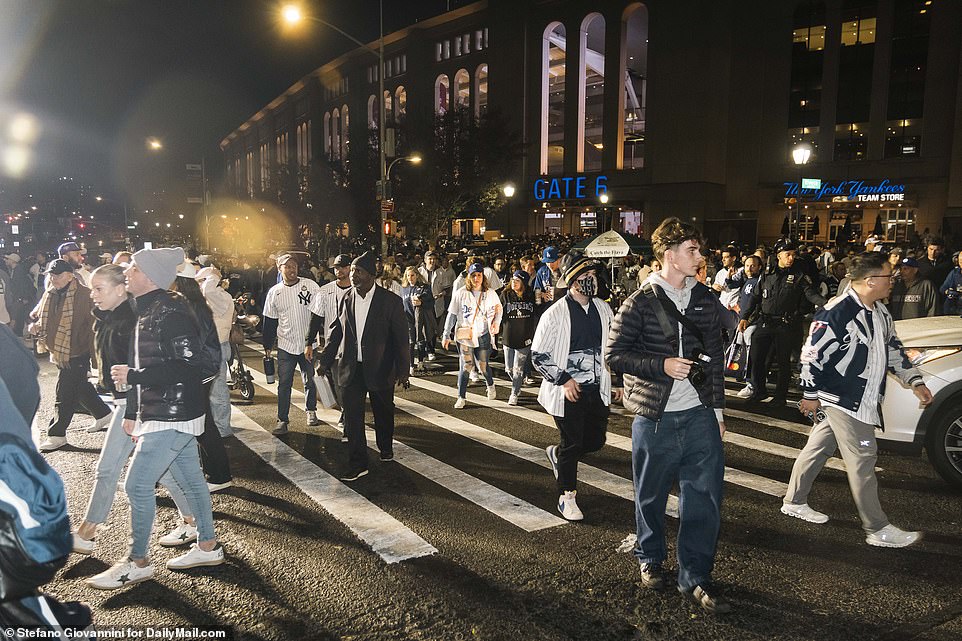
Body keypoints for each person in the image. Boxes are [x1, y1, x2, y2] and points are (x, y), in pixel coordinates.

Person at [606, 217, 729, 615]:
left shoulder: (706, 300)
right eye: (692, 250)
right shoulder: (639, 301)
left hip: (699, 415)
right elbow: (614, 355)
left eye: (699, 249)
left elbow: (715, 358)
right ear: (669, 254)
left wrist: (719, 410)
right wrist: (661, 365)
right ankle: (650, 556)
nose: (700, 256)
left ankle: (695, 574)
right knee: (651, 494)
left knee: (705, 498)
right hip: (654, 417)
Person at [88, 247, 224, 590]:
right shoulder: (149, 309)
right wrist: (134, 410)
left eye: (133, 269)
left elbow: (187, 365)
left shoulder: (170, 311)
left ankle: (137, 562)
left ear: (149, 277)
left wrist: (134, 377)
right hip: (164, 410)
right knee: (193, 481)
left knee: (136, 485)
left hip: (172, 412)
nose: (127, 273)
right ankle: (207, 545)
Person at [784, 252, 932, 548]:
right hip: (842, 399)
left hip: (854, 398)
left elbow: (892, 349)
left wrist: (914, 380)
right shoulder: (837, 312)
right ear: (870, 281)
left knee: (818, 448)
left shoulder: (879, 311)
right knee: (864, 459)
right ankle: (877, 528)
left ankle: (794, 501)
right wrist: (809, 395)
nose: (893, 281)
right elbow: (811, 355)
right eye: (888, 276)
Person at [71, 264, 196, 557]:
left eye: (99, 289)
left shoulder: (130, 322)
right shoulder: (108, 318)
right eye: (92, 289)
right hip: (127, 401)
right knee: (164, 469)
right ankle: (193, 521)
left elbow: (143, 368)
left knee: (107, 468)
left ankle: (87, 533)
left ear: (119, 289)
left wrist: (131, 411)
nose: (93, 295)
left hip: (134, 403)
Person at [532, 255, 620, 521]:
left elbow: (612, 349)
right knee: (572, 444)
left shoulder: (604, 310)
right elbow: (539, 355)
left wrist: (616, 382)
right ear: (571, 280)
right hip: (568, 391)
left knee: (595, 441)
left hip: (597, 388)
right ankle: (566, 496)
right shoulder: (556, 313)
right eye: (583, 278)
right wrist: (565, 380)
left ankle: (558, 456)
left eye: (592, 277)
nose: (589, 282)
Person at [317, 251, 410, 481]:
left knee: (383, 413)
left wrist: (403, 370)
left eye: (358, 271)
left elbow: (401, 339)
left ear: (370, 275)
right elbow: (335, 332)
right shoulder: (346, 298)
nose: (353, 274)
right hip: (351, 368)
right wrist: (325, 361)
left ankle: (385, 447)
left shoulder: (390, 301)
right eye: (353, 270)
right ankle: (358, 463)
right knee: (352, 418)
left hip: (380, 367)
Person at [28, 259, 111, 452]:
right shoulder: (50, 292)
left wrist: (96, 359)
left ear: (69, 276)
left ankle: (57, 434)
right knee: (79, 386)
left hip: (77, 351)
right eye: (51, 274)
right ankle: (103, 413)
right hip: (60, 350)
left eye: (57, 274)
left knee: (64, 392)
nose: (53, 278)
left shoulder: (84, 294)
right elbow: (39, 314)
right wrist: (36, 325)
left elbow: (94, 328)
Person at [738, 239, 826, 406]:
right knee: (757, 359)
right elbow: (755, 297)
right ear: (778, 256)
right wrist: (745, 317)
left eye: (793, 255)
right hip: (765, 322)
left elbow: (811, 294)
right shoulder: (767, 274)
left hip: (785, 325)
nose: (791, 258)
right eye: (788, 254)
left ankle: (780, 397)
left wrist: (825, 303)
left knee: (783, 363)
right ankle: (759, 391)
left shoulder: (799, 276)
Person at [171, 264, 233, 493]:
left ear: (180, 282)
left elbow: (191, 344)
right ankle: (216, 473)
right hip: (200, 371)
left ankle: (219, 474)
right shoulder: (190, 304)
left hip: (198, 373)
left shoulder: (192, 306)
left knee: (203, 425)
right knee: (201, 425)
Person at [262, 253, 323, 435]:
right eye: (287, 266)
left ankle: (311, 411)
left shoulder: (310, 286)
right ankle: (282, 419)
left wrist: (313, 340)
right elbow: (270, 321)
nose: (291, 269)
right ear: (280, 269)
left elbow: (319, 313)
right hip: (286, 345)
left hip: (308, 345)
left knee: (310, 380)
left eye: (293, 266)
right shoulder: (274, 292)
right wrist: (267, 345)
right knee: (284, 383)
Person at [443, 263, 503, 408]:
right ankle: (461, 396)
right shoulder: (461, 293)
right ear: (469, 277)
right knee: (466, 366)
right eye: (473, 275)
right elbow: (451, 314)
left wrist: (496, 323)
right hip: (465, 335)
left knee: (483, 366)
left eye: (479, 275)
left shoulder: (490, 293)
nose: (476, 278)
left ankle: (490, 385)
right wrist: (446, 334)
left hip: (483, 334)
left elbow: (499, 308)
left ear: (483, 276)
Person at [196, 265, 235, 440]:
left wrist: (213, 275)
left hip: (218, 347)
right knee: (211, 391)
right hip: (212, 347)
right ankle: (216, 426)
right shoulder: (211, 298)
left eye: (200, 281)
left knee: (218, 391)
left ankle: (222, 429)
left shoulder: (220, 297)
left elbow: (209, 289)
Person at [500, 270, 537, 406]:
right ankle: (518, 382)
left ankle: (514, 393)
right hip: (508, 337)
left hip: (525, 337)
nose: (514, 283)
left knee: (518, 369)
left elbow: (538, 311)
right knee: (508, 369)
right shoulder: (506, 295)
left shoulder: (531, 295)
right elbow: (498, 311)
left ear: (524, 283)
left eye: (517, 280)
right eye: (513, 280)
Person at [418, 250, 455, 360]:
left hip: (436, 303)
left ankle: (431, 349)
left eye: (434, 259)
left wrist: (441, 294)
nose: (432, 261)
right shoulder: (419, 272)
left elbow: (448, 287)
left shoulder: (440, 272)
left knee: (433, 328)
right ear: (425, 260)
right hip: (423, 304)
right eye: (430, 259)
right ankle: (424, 350)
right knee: (423, 327)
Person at [399, 266, 436, 373]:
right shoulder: (404, 288)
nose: (410, 278)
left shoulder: (424, 287)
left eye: (412, 275)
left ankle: (421, 362)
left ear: (417, 275)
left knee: (421, 340)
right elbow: (402, 304)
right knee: (410, 342)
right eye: (408, 275)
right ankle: (411, 365)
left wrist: (422, 302)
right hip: (408, 318)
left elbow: (431, 302)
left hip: (420, 318)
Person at [939, 251, 962, 315]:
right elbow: (942, 288)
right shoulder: (954, 273)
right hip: (953, 310)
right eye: (960, 262)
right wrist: (948, 292)